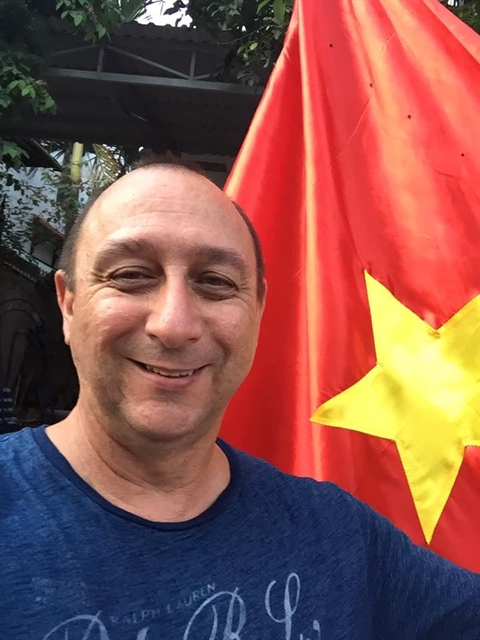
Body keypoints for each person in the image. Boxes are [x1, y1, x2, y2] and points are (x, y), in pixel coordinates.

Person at [1, 157, 478, 640]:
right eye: (131, 275)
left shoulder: (337, 534)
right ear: (68, 303)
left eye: (215, 282)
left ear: (257, 310)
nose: (174, 324)